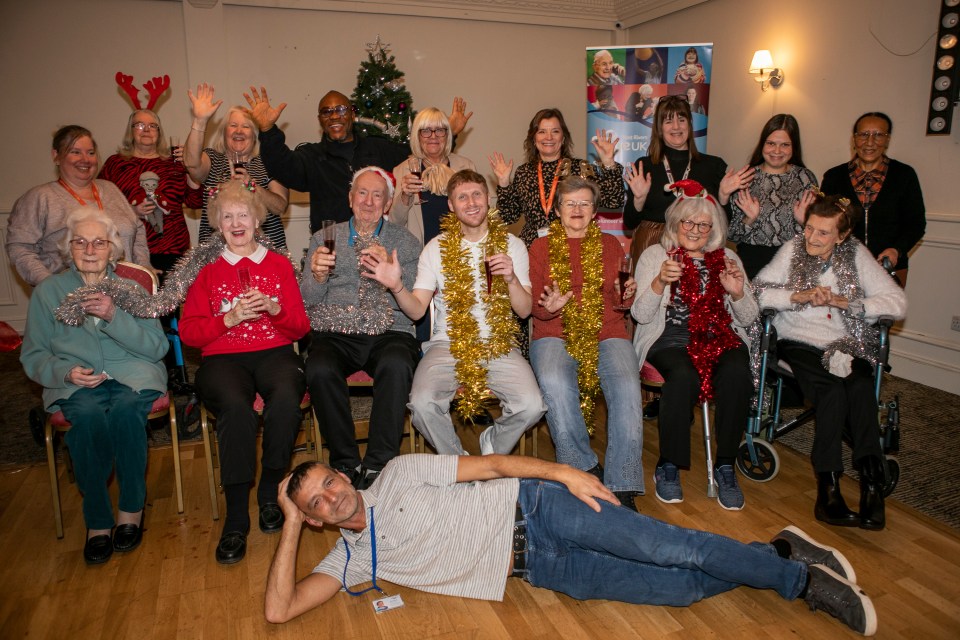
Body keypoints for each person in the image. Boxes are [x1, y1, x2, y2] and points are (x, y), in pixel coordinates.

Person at [264, 454, 878, 637]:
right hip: (543, 571)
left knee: (675, 548)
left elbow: (491, 465)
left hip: (537, 507)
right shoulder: (348, 560)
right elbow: (279, 610)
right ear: (314, 519)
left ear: (343, 476)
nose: (332, 497)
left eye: (329, 482)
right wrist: (289, 521)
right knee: (680, 591)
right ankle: (777, 552)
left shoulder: (398, 471)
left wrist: (563, 474)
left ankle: (802, 583)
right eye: (315, 501)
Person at [20, 207, 168, 564]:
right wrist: (66, 372)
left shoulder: (130, 287)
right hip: (76, 382)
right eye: (80, 242)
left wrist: (115, 316)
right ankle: (98, 521)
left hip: (133, 375)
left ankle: (131, 509)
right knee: (86, 417)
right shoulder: (49, 292)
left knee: (125, 410)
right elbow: (33, 355)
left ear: (112, 248)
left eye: (98, 242)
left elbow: (157, 347)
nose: (89, 250)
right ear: (68, 248)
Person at [362, 170, 546, 455]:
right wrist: (397, 286)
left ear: (488, 199)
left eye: (477, 194)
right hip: (447, 344)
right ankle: (458, 461)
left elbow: (523, 312)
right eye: (462, 197)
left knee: (532, 405)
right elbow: (416, 311)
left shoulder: (513, 246)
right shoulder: (435, 249)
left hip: (499, 344)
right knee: (422, 404)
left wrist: (511, 279)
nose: (471, 202)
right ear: (451, 205)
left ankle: (492, 445)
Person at [754, 195, 907, 530]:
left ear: (842, 235)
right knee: (831, 393)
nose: (811, 237)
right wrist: (797, 296)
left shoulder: (856, 254)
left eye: (823, 233)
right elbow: (758, 290)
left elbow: (897, 302)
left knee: (861, 387)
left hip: (848, 340)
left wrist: (850, 303)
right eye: (809, 228)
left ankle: (871, 484)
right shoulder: (792, 250)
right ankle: (828, 488)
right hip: (800, 339)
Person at [179, 180, 310, 565]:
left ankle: (270, 491)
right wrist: (227, 319)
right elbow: (189, 332)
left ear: (257, 221)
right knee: (236, 409)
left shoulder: (279, 264)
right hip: (223, 359)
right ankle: (236, 516)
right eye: (228, 217)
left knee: (286, 398)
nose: (237, 223)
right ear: (219, 225)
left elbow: (300, 328)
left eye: (244, 216)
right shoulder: (206, 271)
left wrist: (275, 310)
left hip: (275, 352)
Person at [631, 180, 757, 510]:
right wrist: (659, 281)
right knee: (683, 375)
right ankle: (668, 465)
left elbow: (748, 317)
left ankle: (726, 464)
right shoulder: (654, 256)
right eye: (688, 222)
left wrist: (738, 291)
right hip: (668, 337)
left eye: (704, 224)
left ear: (713, 228)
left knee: (736, 371)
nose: (695, 229)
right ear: (675, 223)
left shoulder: (727, 257)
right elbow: (641, 316)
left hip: (721, 336)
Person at [300, 167, 422, 490]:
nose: (368, 202)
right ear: (350, 198)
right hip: (336, 330)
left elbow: (414, 304)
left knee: (397, 363)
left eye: (377, 195)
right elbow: (307, 301)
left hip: (390, 329)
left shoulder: (404, 243)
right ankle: (345, 461)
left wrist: (392, 278)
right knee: (319, 366)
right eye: (362, 193)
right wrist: (317, 277)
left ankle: (379, 464)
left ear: (387, 203)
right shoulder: (324, 237)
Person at [528, 176, 643, 510]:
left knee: (626, 383)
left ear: (595, 212)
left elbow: (620, 302)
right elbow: (536, 304)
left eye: (584, 204)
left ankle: (622, 484)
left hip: (607, 330)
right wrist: (546, 307)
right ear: (559, 210)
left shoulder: (610, 245)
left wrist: (625, 297)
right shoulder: (540, 247)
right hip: (554, 331)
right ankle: (584, 468)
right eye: (570, 203)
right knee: (554, 380)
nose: (577, 210)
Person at [245, 86, 472, 232]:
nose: (334, 115)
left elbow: (420, 149)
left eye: (341, 109)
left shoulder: (379, 148)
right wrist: (267, 130)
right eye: (327, 111)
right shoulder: (311, 157)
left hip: (378, 246)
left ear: (352, 115)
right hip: (332, 248)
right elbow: (282, 167)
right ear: (320, 119)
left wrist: (447, 132)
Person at [7, 125, 150, 286]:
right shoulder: (40, 198)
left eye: (90, 153)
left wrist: (143, 270)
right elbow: (20, 248)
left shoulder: (110, 189)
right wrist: (50, 286)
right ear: (56, 156)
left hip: (126, 295)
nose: (85, 159)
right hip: (71, 300)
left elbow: (137, 228)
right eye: (75, 152)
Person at [623, 96, 752, 263]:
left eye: (681, 119)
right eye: (668, 121)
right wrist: (639, 199)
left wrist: (723, 196)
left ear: (690, 125)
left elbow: (723, 226)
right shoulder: (645, 166)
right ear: (660, 128)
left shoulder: (714, 166)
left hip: (698, 244)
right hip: (652, 243)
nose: (676, 126)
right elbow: (629, 223)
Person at [490, 108, 624, 247]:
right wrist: (504, 183)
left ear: (563, 137)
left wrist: (608, 163)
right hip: (533, 247)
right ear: (534, 139)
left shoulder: (580, 168)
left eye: (555, 131)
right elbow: (508, 217)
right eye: (542, 132)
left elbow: (613, 202)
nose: (549, 137)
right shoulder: (524, 172)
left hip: (573, 245)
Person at [820, 112, 925, 286]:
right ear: (854, 139)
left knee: (884, 312)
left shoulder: (904, 175)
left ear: (887, 140)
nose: (870, 142)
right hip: (841, 267)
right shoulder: (834, 176)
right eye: (863, 135)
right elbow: (825, 222)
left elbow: (916, 224)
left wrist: (896, 250)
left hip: (888, 268)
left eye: (878, 135)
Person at [184, 83, 290, 249]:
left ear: (254, 136)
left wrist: (253, 187)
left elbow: (280, 206)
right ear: (224, 132)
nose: (238, 131)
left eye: (246, 126)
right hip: (216, 255)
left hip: (265, 254)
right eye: (233, 125)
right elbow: (191, 164)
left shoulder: (268, 161)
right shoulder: (213, 159)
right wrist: (199, 121)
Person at [98, 109, 203, 275]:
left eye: (152, 126)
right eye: (140, 125)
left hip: (174, 249)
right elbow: (99, 204)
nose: (146, 130)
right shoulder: (115, 164)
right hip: (130, 250)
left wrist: (189, 165)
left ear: (159, 132)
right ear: (130, 131)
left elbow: (195, 202)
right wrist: (130, 212)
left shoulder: (173, 162)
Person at [728, 114, 819, 278]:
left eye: (785, 145)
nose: (777, 151)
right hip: (751, 264)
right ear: (762, 144)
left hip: (793, 263)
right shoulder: (745, 178)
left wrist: (804, 222)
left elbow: (820, 233)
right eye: (771, 143)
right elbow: (732, 236)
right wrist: (749, 219)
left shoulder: (806, 178)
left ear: (794, 147)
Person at [390, 107, 476, 246]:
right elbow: (395, 223)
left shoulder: (466, 166)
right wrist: (405, 196)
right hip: (419, 256)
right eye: (426, 131)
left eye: (440, 130)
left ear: (447, 135)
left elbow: (478, 215)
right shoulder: (401, 170)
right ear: (417, 136)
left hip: (460, 252)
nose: (433, 136)